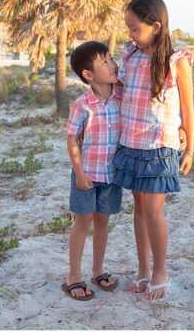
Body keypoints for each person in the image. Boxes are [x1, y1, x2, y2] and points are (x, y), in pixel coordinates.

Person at [114, 0, 194, 301]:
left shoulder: (177, 62)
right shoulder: (130, 55)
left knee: (153, 209)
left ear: (156, 26)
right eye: (128, 28)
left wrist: (189, 149)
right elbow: (121, 92)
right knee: (138, 208)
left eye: (135, 28)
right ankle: (143, 269)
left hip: (159, 147)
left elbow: (188, 109)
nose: (131, 34)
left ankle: (161, 271)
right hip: (130, 143)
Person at [62, 41, 122, 301]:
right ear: (88, 75)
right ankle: (73, 276)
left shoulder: (121, 97)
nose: (112, 65)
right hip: (87, 174)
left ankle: (97, 270)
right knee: (82, 222)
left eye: (111, 59)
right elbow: (73, 139)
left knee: (102, 222)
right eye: (105, 62)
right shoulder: (82, 104)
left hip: (112, 175)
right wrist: (80, 172)